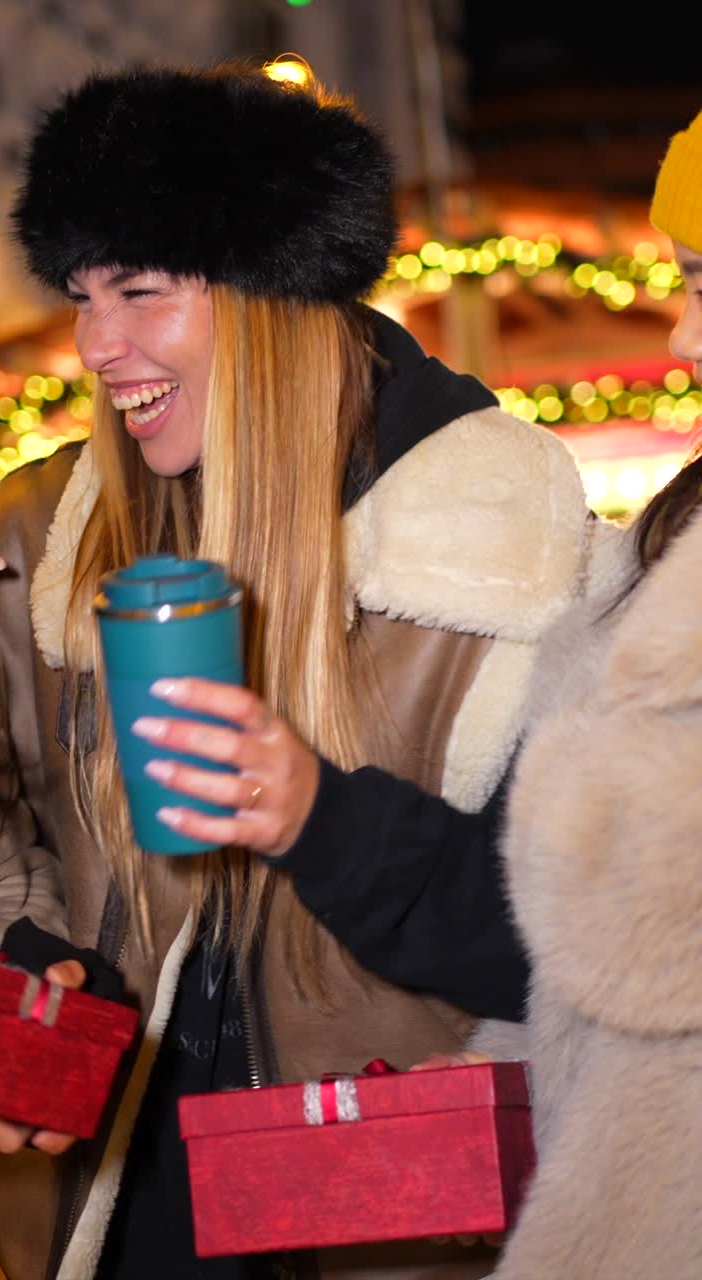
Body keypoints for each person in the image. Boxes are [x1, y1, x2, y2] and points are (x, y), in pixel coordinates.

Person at [0, 64, 595, 1280]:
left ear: (269, 301)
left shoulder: (517, 562)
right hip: (116, 1207)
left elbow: (592, 935)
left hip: (396, 1218)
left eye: (142, 292)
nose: (97, 345)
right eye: (84, 297)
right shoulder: (44, 532)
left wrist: (322, 819)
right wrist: (22, 958)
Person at [189, 114, 702, 1278]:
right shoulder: (662, 554)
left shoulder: (523, 553)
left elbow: (631, 930)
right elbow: (577, 964)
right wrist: (521, 1070)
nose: (681, 328)